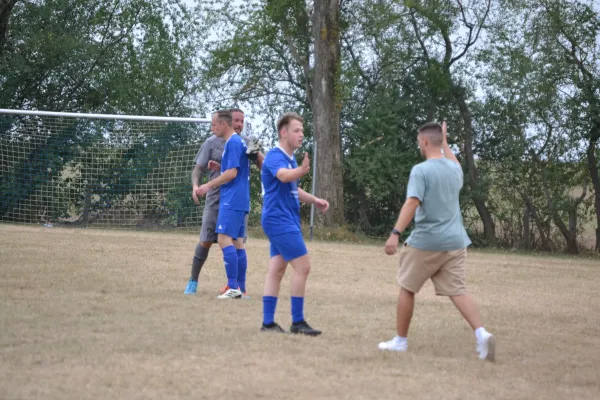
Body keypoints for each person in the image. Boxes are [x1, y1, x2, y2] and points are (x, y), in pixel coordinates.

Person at [378, 121, 496, 361]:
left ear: (423, 142)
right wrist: (446, 141)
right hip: (456, 241)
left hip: (427, 241)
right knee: (458, 291)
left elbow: (412, 203)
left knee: (407, 288)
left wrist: (395, 233)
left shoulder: (421, 171)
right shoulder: (454, 169)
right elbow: (454, 161)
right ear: (440, 142)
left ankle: (400, 341)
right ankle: (482, 334)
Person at [259, 112, 329, 335]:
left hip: (284, 219)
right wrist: (300, 171)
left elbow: (292, 188)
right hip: (278, 220)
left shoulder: (290, 159)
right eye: (296, 130)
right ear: (283, 132)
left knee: (276, 271)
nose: (301, 134)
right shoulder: (274, 156)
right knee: (303, 267)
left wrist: (314, 200)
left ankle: (268, 323)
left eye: (302, 130)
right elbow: (282, 176)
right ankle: (297, 322)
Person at [185, 109, 261, 298]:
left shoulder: (245, 142)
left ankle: (234, 287)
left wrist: (256, 151)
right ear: (228, 121)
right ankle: (194, 281)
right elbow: (200, 169)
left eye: (242, 121)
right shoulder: (213, 142)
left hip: (232, 197)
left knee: (232, 241)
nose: (239, 124)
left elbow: (258, 167)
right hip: (218, 199)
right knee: (208, 240)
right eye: (236, 120)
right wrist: (199, 184)